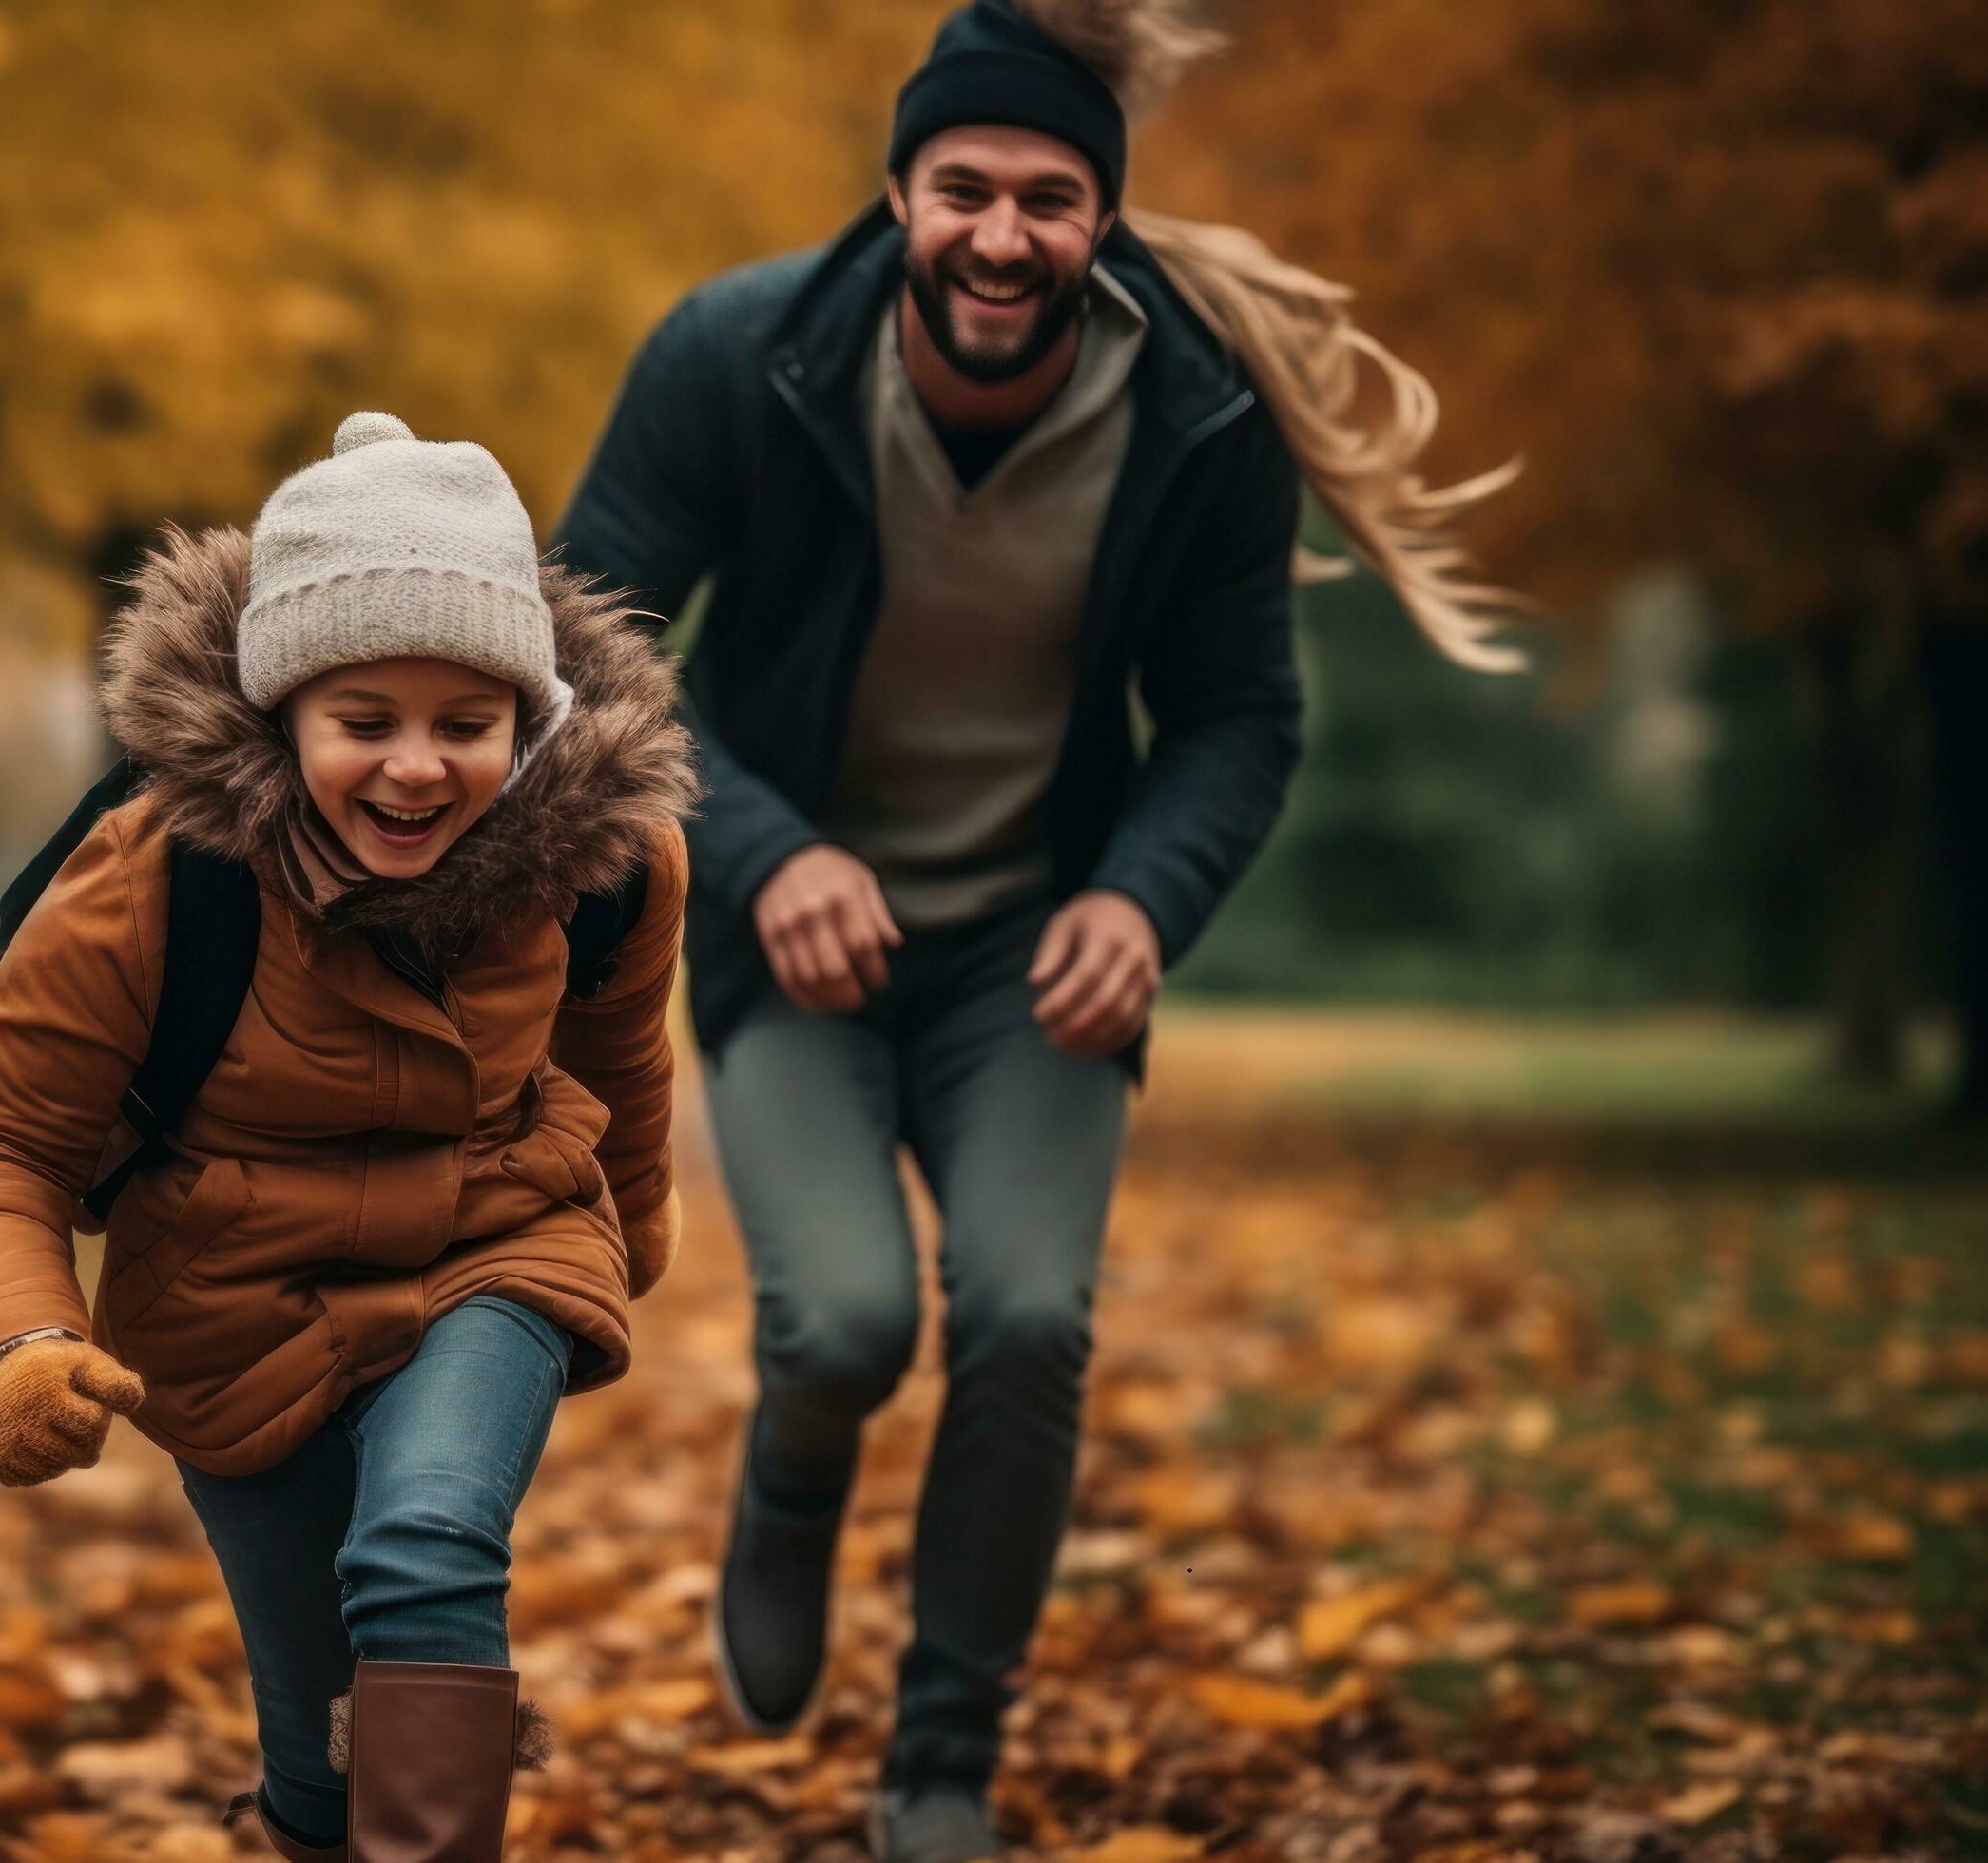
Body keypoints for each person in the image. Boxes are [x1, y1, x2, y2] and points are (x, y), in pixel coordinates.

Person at [555, 2, 1519, 1854]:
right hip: (795, 944)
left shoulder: (1194, 409)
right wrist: (758, 852)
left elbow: (1240, 715)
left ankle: (939, 1764)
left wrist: (1136, 898)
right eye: (965, 189)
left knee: (1019, 1316)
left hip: (1029, 951)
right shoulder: (735, 355)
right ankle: (788, 1475)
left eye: (1052, 199)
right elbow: (573, 646)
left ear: (1104, 220)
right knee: (838, 1321)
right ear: (896, 192)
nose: (1003, 235)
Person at [0, 412, 696, 1861]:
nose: (416, 770)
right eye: (366, 724)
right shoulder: (160, 876)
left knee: (424, 1551)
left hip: (493, 1252)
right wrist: (16, 1340)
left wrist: (633, 1214)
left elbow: (615, 1051)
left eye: (466, 726)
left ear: (526, 720)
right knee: (329, 1767)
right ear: (284, 714)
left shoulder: (604, 857)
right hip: (233, 1313)